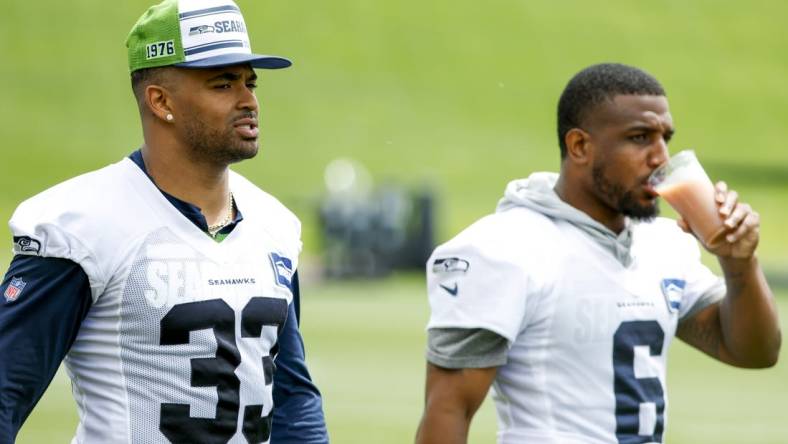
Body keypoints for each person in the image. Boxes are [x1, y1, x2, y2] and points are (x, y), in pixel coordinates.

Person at [0, 0, 328, 442]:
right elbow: (6, 389)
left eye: (250, 82)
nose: (248, 100)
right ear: (161, 100)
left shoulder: (275, 224)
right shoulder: (81, 225)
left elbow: (291, 397)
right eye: (223, 84)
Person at [415, 63, 781, 444]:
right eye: (640, 138)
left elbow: (753, 351)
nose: (660, 157)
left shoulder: (664, 243)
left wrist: (739, 263)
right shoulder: (502, 249)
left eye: (665, 138)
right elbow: (447, 412)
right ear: (580, 146)